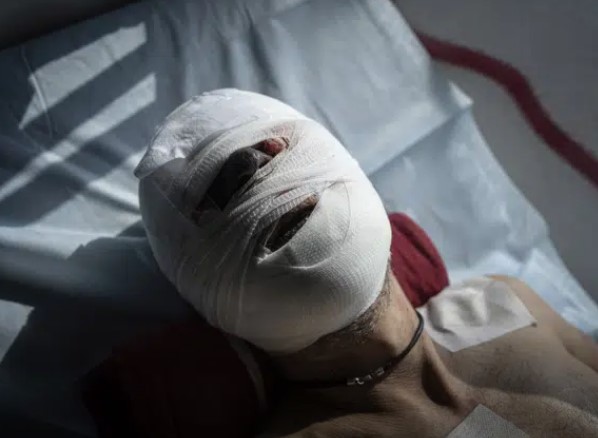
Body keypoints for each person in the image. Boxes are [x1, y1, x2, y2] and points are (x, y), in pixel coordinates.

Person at [136, 89, 598, 437]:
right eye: (221, 190)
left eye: (267, 147)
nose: (256, 168)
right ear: (204, 301)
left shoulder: (506, 302)